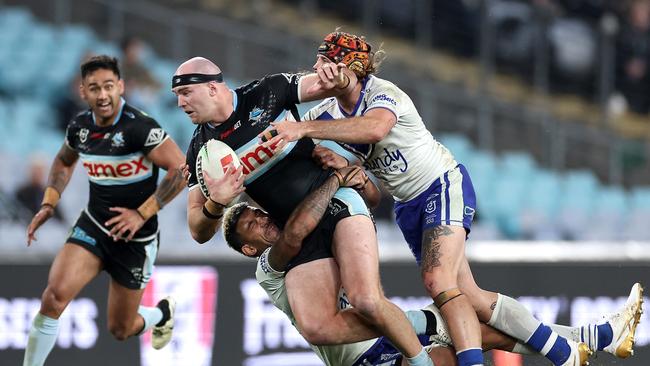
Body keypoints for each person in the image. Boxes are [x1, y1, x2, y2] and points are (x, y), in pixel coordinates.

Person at [265, 31, 644, 366]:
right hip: (409, 207)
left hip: (440, 185)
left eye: (326, 63)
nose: (318, 71)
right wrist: (335, 163)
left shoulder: (382, 93)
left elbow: (376, 127)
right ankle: (591, 341)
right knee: (474, 300)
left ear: (352, 67)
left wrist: (302, 128)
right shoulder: (325, 112)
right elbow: (372, 193)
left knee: (438, 280)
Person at [220, 161, 643, 365]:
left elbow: (363, 201)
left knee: (479, 332)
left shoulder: (312, 240)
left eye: (256, 213)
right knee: (475, 327)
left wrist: (358, 180)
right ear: (248, 250)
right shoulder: (271, 266)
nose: (259, 220)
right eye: (249, 226)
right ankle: (593, 338)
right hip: (363, 356)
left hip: (386, 329)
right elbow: (296, 232)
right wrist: (333, 179)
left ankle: (596, 337)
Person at [174, 56, 435, 365]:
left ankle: (423, 362)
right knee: (315, 326)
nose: (180, 103)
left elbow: (329, 84)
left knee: (365, 299)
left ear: (213, 88)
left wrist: (337, 74)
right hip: (296, 230)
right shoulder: (201, 149)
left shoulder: (267, 92)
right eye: (176, 96)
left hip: (338, 201)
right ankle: (424, 323)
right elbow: (197, 229)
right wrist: (215, 203)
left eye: (185, 93)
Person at [23, 55, 186, 366]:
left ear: (120, 87)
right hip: (94, 226)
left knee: (121, 329)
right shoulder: (80, 127)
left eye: (109, 86)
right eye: (94, 88)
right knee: (53, 298)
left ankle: (161, 313)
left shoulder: (140, 127)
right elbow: (63, 161)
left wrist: (141, 213)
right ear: (83, 91)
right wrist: (49, 202)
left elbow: (180, 169)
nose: (102, 94)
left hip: (136, 239)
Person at [14, 155, 64, 223]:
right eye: (35, 171)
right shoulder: (21, 193)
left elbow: (60, 219)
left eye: (40, 171)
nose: (37, 174)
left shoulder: (50, 195)